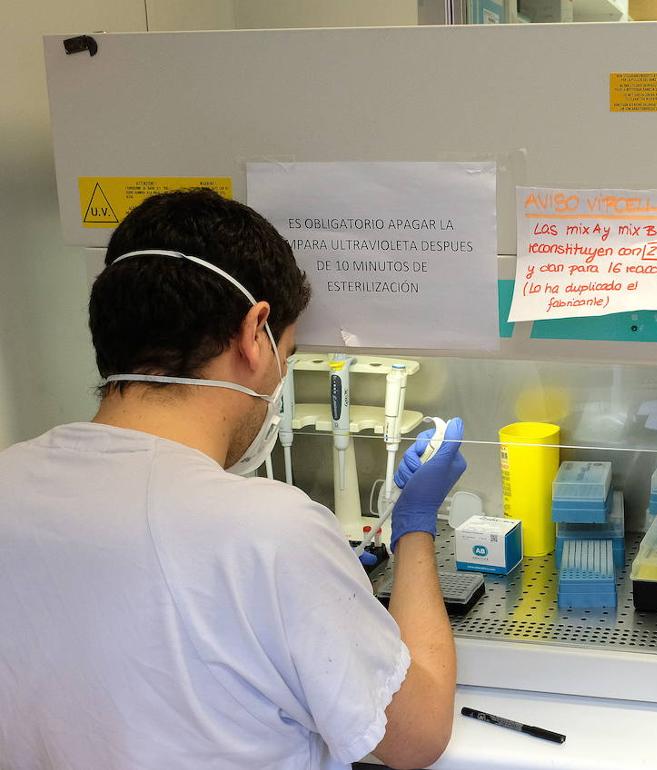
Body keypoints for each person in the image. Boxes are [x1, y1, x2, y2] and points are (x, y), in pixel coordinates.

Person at [0, 189, 464, 770]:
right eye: (286, 355)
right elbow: (417, 737)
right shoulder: (267, 531)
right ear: (254, 333)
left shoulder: (8, 480)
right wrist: (415, 525)